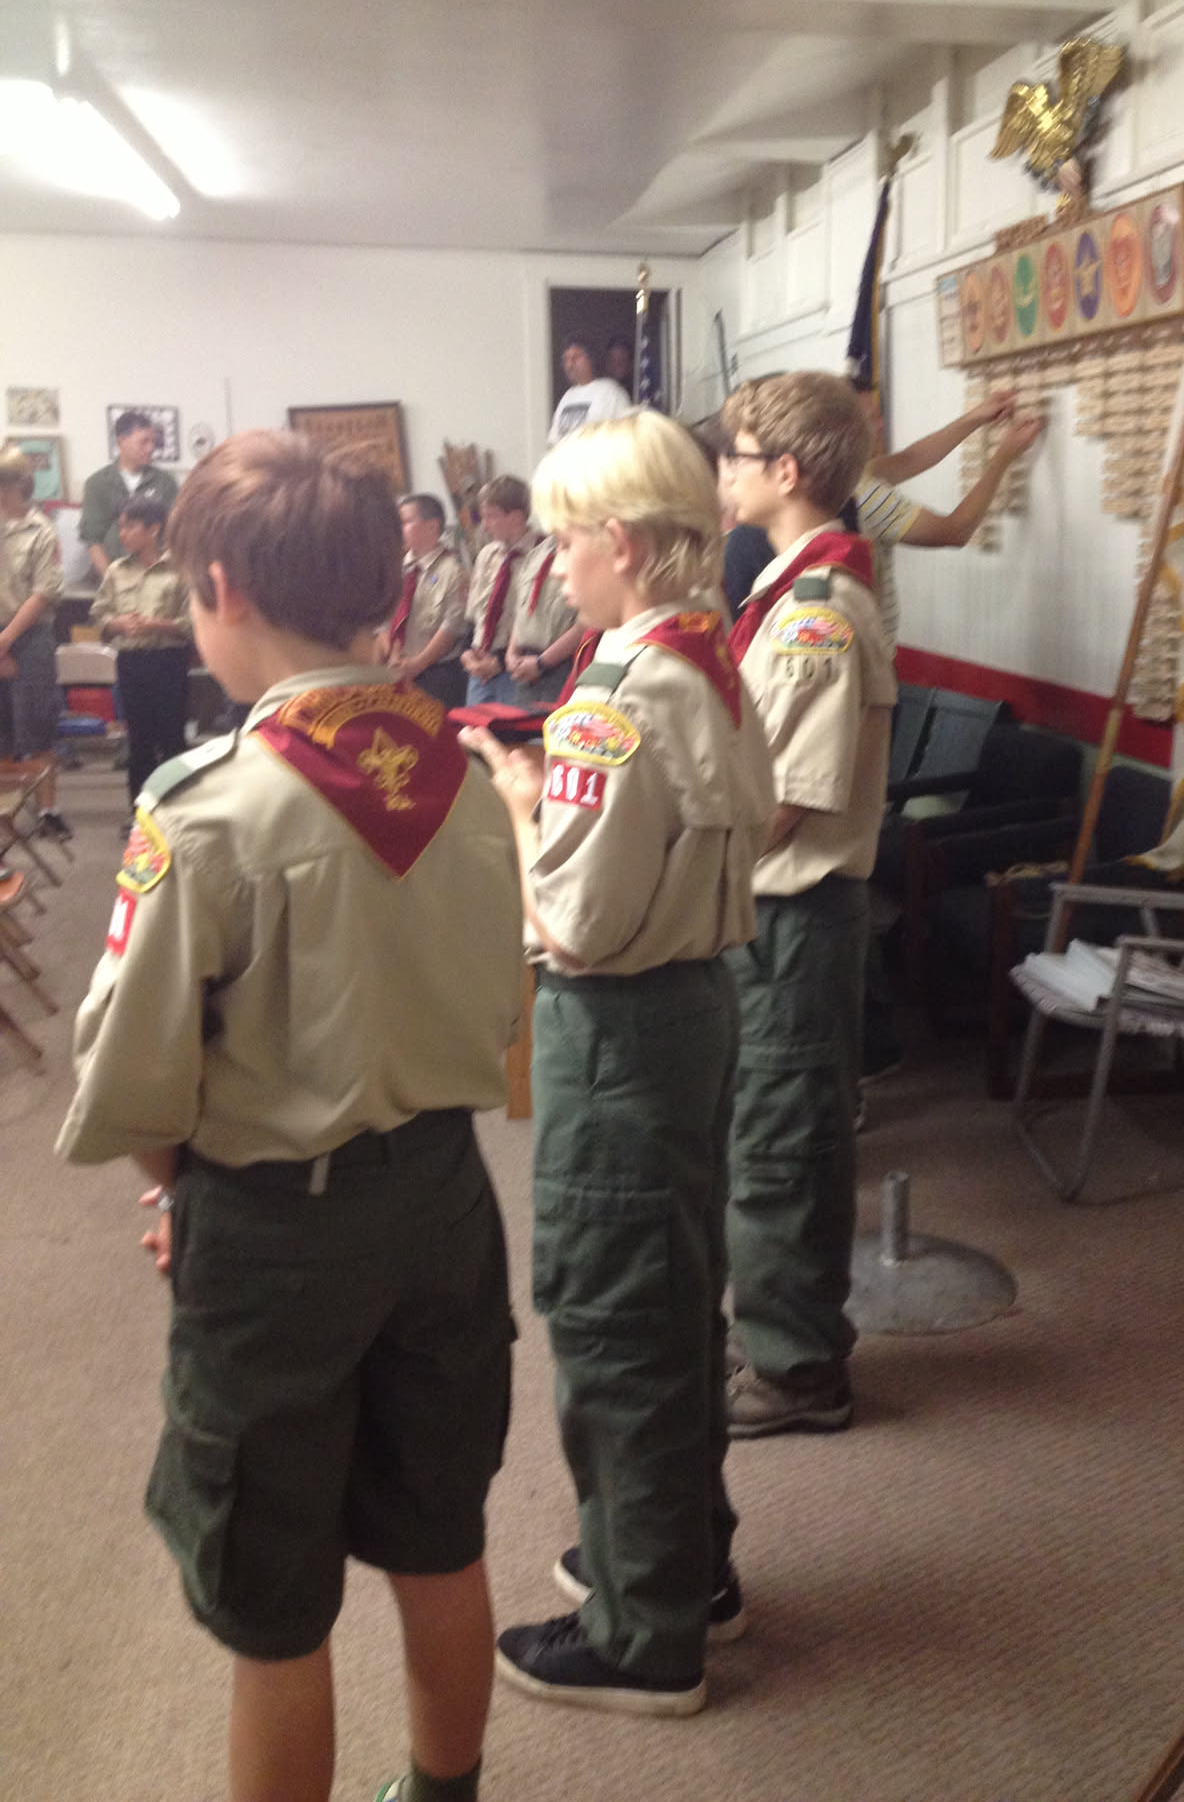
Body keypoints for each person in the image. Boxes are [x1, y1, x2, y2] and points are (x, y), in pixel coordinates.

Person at [56, 430, 524, 1802]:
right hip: (444, 1200)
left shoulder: (207, 808)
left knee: (274, 1602)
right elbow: (502, 1001)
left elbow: (140, 1076)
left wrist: (170, 1188)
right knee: (440, 1537)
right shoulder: (467, 775)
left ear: (219, 588)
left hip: (276, 1233)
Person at [462, 410, 774, 1717]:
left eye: (570, 539)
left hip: (620, 1026)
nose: (557, 562)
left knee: (614, 1317)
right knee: (677, 1293)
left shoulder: (616, 697)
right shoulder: (710, 657)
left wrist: (521, 811)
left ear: (629, 546)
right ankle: (681, 1559)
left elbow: (579, 927)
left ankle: (646, 1635)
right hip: (693, 1002)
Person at [717, 372, 897, 1437]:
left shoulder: (820, 613)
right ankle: (781, 1327)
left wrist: (676, 871)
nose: (723, 475)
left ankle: (796, 1369)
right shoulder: (788, 592)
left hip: (794, 913)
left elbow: (785, 803)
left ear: (785, 472)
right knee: (765, 1135)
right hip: (771, 914)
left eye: (736, 457)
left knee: (783, 1147)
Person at [853, 387, 1045, 653]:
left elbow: (909, 460)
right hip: (868, 661)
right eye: (871, 418)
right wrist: (1003, 457)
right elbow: (955, 531)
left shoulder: (843, 476)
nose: (881, 424)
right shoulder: (862, 495)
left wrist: (976, 417)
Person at [90, 496, 192, 816]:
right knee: (139, 741)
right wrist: (117, 624)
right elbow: (99, 615)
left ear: (154, 529)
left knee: (172, 739)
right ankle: (140, 814)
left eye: (131, 527)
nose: (123, 534)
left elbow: (193, 623)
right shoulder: (116, 571)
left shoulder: (180, 570)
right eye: (121, 527)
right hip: (131, 663)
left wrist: (155, 624)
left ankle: (176, 814)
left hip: (169, 661)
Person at [0, 444, 69, 839]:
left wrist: (7, 639)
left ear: (14, 487)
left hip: (30, 637)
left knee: (38, 729)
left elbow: (45, 592)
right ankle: (6, 811)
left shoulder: (40, 530)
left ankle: (48, 811)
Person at [460, 475, 539, 707]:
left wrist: (502, 663)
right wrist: (467, 653)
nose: (484, 525)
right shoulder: (487, 555)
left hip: (518, 668)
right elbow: (475, 613)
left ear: (516, 517)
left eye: (491, 516)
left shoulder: (542, 553)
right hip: (480, 665)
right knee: (473, 727)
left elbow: (538, 623)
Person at [385, 492, 468, 709]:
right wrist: (393, 658)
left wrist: (417, 664)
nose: (398, 529)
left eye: (405, 522)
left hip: (436, 674)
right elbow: (386, 620)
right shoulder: (396, 569)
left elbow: (451, 627)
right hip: (397, 670)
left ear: (432, 526)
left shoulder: (453, 571)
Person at [79, 411, 179, 579]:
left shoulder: (165, 482)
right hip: (111, 574)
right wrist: (112, 583)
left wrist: (164, 577)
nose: (150, 448)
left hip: (155, 575)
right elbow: (93, 540)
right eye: (143, 442)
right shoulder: (97, 484)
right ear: (122, 442)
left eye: (153, 442)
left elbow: (175, 534)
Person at [504, 532, 585, 709]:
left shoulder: (584, 552)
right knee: (522, 724)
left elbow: (587, 623)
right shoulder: (537, 553)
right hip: (525, 665)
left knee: (555, 723)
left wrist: (542, 663)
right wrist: (511, 654)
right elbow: (523, 610)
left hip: (563, 665)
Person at [547, 335, 633, 444]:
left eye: (575, 358)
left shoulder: (611, 392)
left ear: (590, 359)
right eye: (566, 360)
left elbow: (625, 437)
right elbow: (554, 439)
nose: (569, 365)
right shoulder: (567, 397)